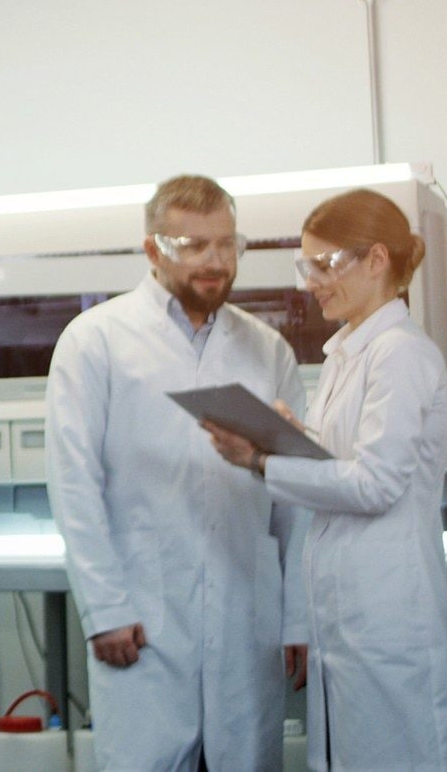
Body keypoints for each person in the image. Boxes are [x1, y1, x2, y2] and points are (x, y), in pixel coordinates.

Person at [45, 174, 310, 771]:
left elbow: (295, 498)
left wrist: (300, 616)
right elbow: (73, 483)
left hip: (248, 616)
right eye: (193, 247)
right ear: (152, 249)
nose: (214, 262)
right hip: (142, 615)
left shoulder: (268, 350)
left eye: (226, 245)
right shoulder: (96, 341)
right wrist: (105, 608)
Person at [203, 188, 447, 770]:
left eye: (323, 265)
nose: (309, 282)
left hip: (386, 614)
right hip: (348, 614)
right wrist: (286, 436)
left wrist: (262, 461)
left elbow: (374, 485)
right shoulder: (348, 352)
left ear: (376, 260)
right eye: (307, 266)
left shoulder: (400, 353)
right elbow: (339, 461)